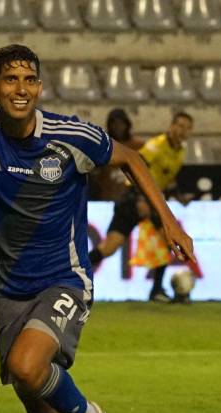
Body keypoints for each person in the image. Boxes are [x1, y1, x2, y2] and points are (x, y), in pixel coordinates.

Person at [0, 19, 195, 413]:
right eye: (10, 80)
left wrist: (170, 222)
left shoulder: (69, 136)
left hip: (63, 279)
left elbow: (131, 158)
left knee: (26, 367)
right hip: (7, 287)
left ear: (39, 88)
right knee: (31, 390)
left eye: (29, 80)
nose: (20, 89)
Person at [88, 112, 194, 302]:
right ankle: (71, 276)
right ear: (171, 126)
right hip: (134, 198)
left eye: (186, 127)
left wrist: (180, 197)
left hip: (149, 200)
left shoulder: (180, 152)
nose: (181, 130)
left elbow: (167, 179)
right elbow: (134, 165)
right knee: (110, 246)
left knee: (167, 240)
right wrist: (140, 197)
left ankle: (156, 290)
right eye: (179, 125)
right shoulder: (157, 146)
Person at [87, 108, 145, 201]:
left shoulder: (138, 146)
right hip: (107, 196)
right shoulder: (102, 146)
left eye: (121, 123)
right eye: (114, 124)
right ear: (109, 125)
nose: (118, 127)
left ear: (127, 124)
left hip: (133, 197)